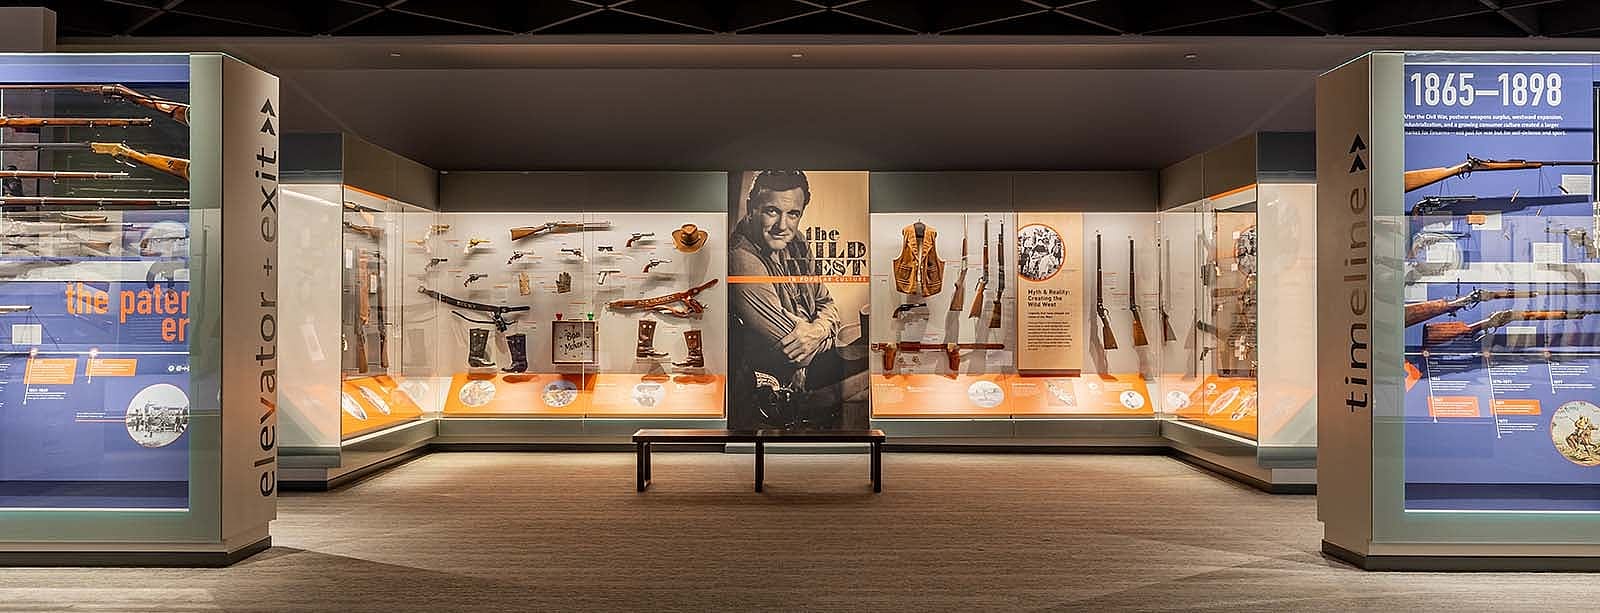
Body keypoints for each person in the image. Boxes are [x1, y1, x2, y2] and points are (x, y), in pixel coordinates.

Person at [728, 170, 849, 430]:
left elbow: (827, 303)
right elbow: (798, 354)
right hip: (766, 399)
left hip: (808, 382)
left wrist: (816, 330)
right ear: (752, 209)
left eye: (793, 214)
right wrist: (826, 329)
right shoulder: (742, 260)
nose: (782, 225)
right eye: (772, 211)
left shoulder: (797, 242)